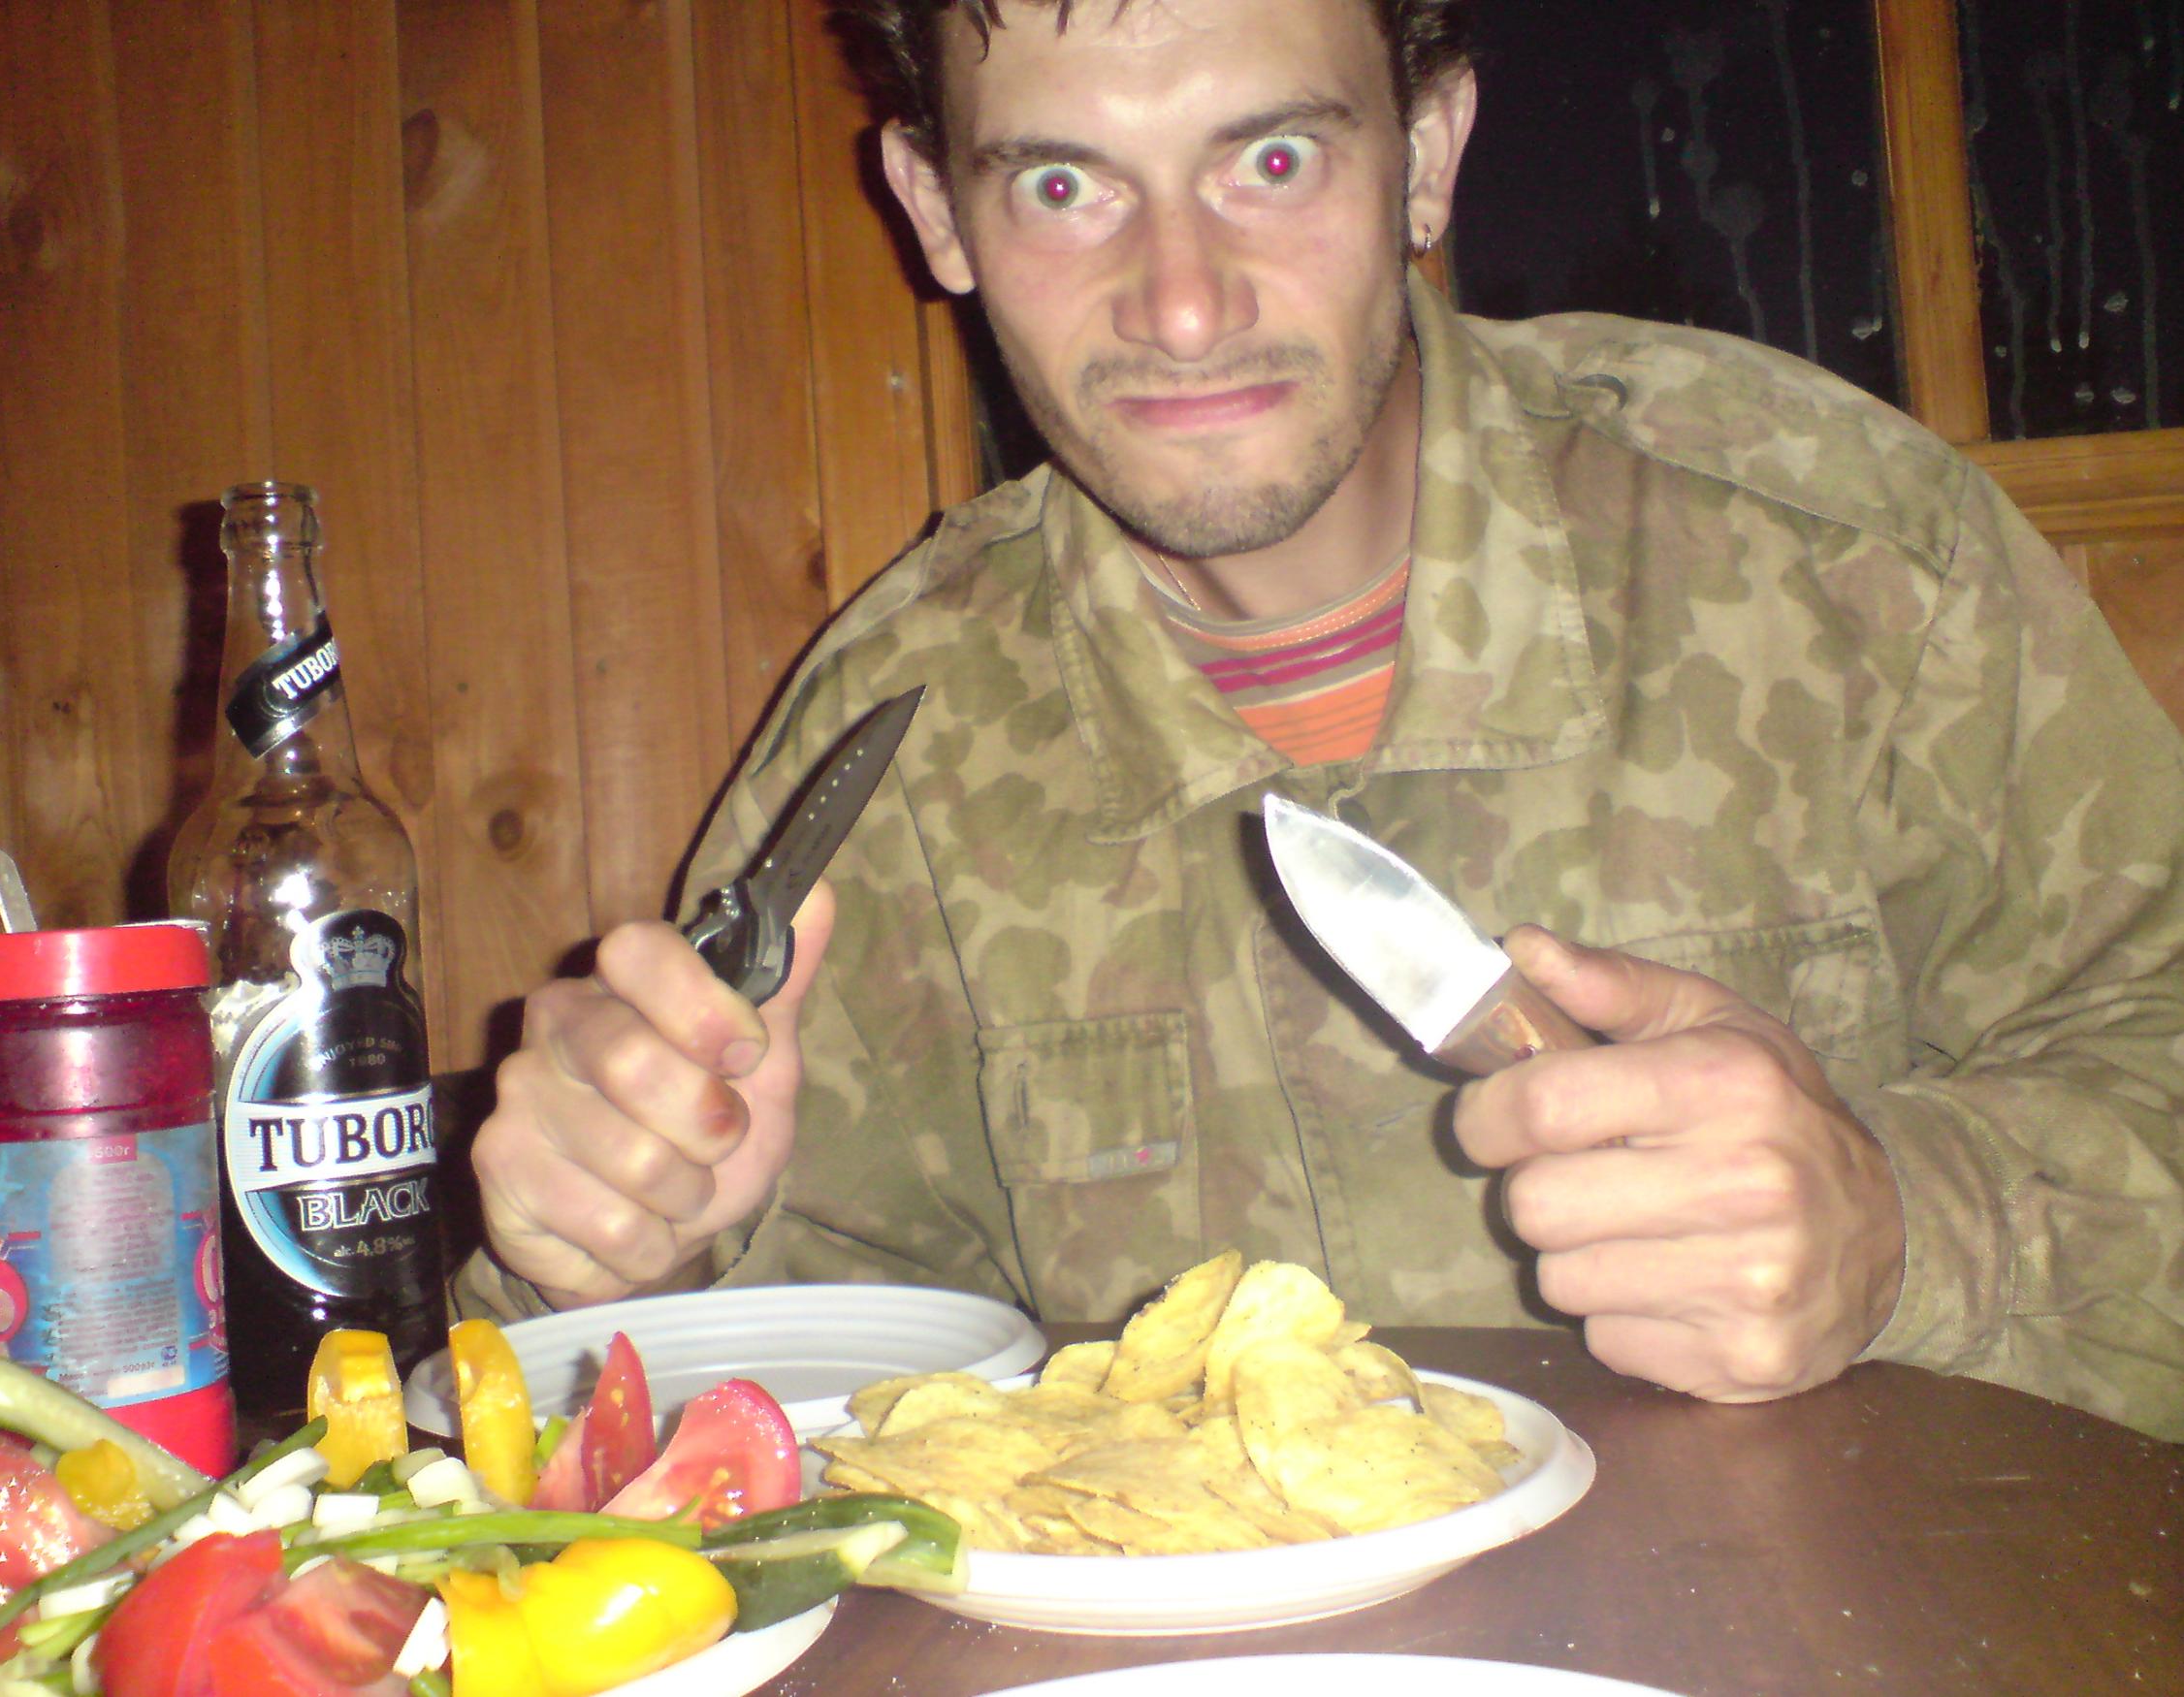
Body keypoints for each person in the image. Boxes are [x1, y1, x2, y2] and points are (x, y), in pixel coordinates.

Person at [458, 0, 2184, 1440]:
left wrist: (1904, 1223)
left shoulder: (1843, 554)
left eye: (1271, 162)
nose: (1182, 301)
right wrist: (618, 1258)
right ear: (934, 209)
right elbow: (781, 1440)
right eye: (1062, 186)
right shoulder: (886, 751)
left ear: (1425, 152)